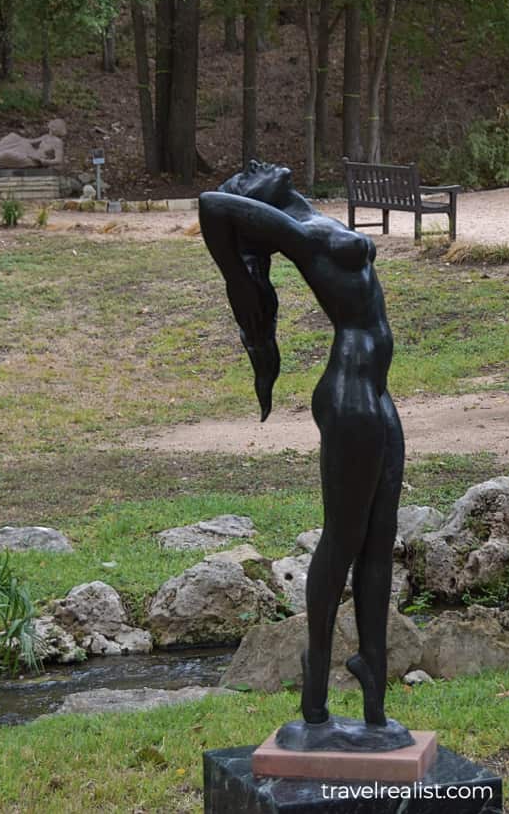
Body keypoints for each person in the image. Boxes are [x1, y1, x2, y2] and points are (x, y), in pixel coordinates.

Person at [199, 160, 408, 749]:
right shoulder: (296, 231)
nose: (257, 164)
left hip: (376, 393)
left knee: (378, 540)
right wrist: (243, 241)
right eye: (248, 173)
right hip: (350, 395)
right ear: (254, 205)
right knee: (342, 540)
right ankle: (314, 695)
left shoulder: (307, 217)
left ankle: (372, 679)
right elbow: (212, 205)